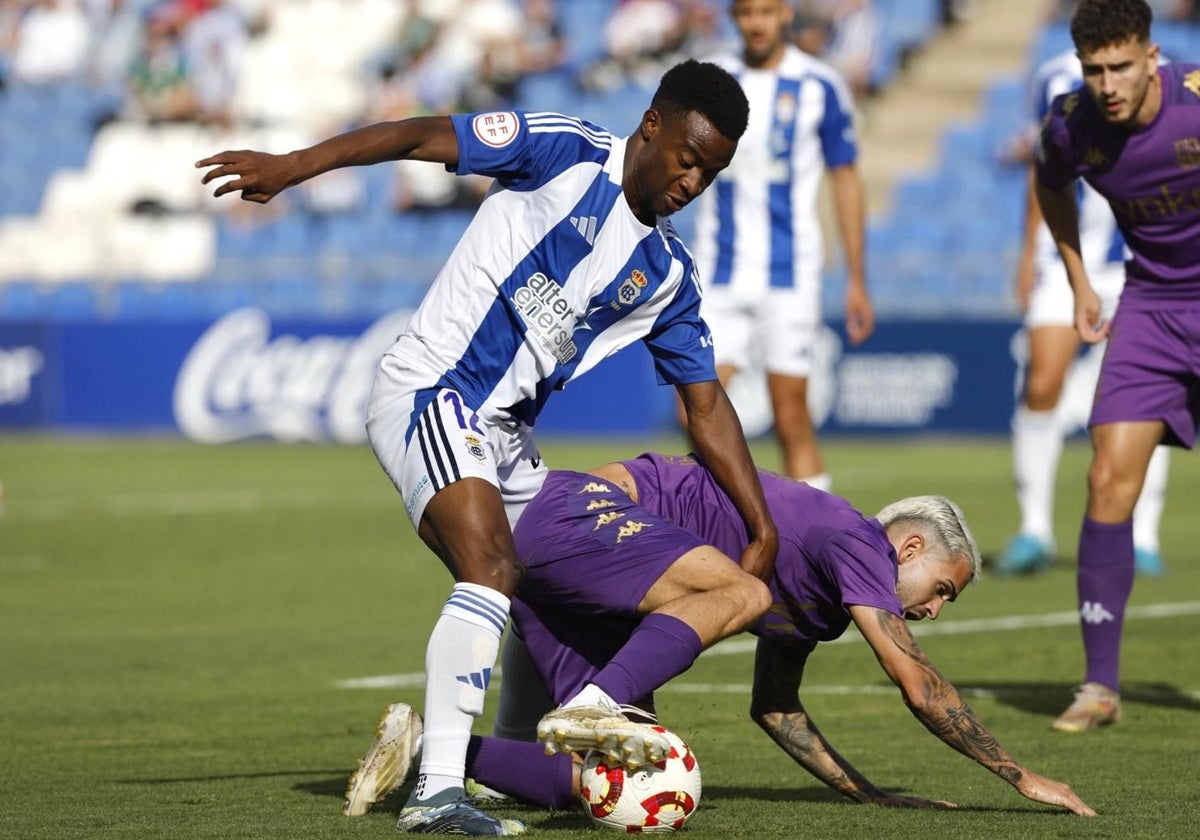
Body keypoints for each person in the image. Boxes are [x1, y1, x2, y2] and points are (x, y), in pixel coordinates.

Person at [196, 59, 779, 836]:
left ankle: (508, 752)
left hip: (506, 444)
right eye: (688, 157)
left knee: (576, 588)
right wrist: (294, 166)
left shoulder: (667, 274)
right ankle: (438, 795)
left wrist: (760, 521)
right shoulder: (562, 150)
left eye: (711, 171)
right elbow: (420, 134)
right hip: (433, 390)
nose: (694, 180)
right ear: (652, 126)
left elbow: (704, 404)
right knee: (493, 569)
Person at [349, 452, 1096, 818]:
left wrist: (869, 796)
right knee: (623, 730)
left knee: (604, 779)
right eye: (941, 590)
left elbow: (775, 705)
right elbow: (919, 684)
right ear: (906, 550)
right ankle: (598, 700)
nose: (934, 610)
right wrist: (1020, 776)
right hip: (581, 516)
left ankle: (428, 748)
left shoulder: (824, 590)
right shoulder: (857, 544)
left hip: (575, 563)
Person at [1034, 0, 1200, 732]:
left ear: (1152, 56)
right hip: (1152, 307)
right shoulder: (1070, 123)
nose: (1107, 83)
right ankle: (1099, 687)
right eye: (1094, 69)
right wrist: (1078, 281)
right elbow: (1049, 184)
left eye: (1122, 66)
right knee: (1106, 476)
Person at [996, 46, 1171, 577]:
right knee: (1042, 384)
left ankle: (1142, 537)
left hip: (1139, 255)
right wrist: (1028, 252)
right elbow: (1042, 169)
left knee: (1147, 394)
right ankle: (1035, 530)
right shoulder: (1052, 75)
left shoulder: (1168, 76)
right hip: (1063, 254)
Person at [689, 0, 874, 492]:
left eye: (766, 11)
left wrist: (857, 278)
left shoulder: (820, 86)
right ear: (734, 17)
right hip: (718, 271)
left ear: (785, 13)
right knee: (697, 415)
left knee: (792, 417)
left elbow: (846, 179)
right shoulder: (711, 80)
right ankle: (720, 537)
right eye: (746, 12)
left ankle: (824, 551)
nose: (756, 22)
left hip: (790, 274)